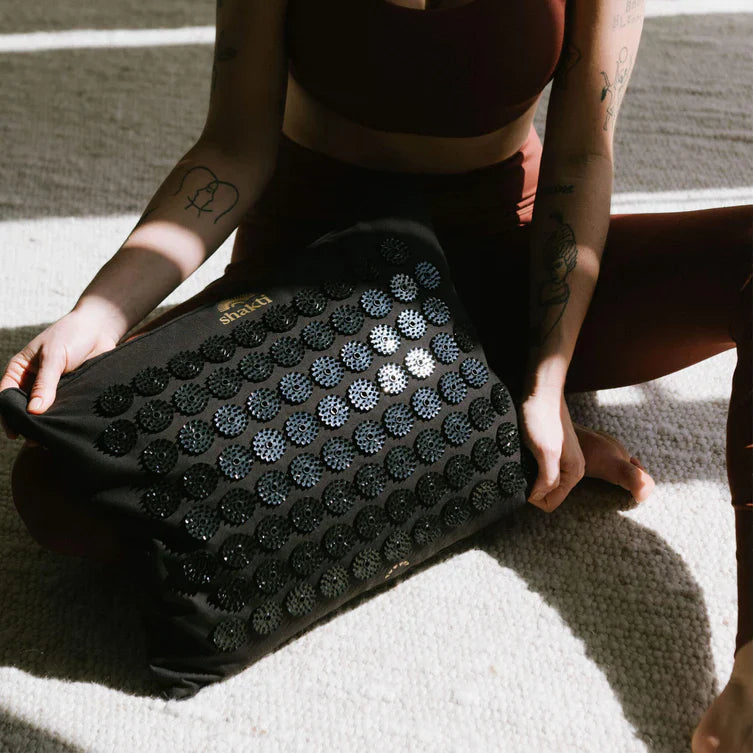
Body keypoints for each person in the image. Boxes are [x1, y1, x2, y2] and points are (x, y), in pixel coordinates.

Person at [1, 0, 750, 746]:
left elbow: (582, 156)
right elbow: (232, 147)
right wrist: (102, 311)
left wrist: (546, 378)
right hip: (323, 281)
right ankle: (472, 431)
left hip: (509, 264)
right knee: (66, 486)